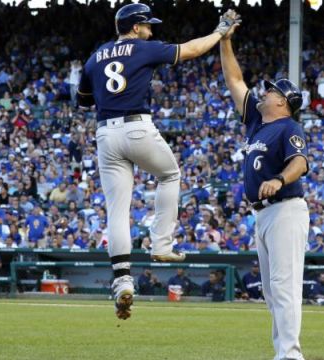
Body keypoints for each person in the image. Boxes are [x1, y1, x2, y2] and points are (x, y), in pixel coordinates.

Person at [77, 3, 241, 320]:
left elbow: (83, 101)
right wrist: (220, 32)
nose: (151, 29)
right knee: (170, 175)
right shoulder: (143, 47)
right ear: (135, 27)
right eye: (147, 24)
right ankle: (162, 244)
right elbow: (191, 50)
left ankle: (122, 280)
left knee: (116, 210)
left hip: (105, 135)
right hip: (136, 126)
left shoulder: (95, 56)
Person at [221, 20, 309, 360]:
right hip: (264, 214)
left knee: (284, 288)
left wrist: (280, 179)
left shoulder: (289, 126)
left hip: (286, 208)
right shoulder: (258, 124)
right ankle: (282, 352)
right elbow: (234, 80)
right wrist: (225, 41)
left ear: (283, 103)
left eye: (272, 91)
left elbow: (300, 162)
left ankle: (291, 355)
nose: (266, 92)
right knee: (273, 293)